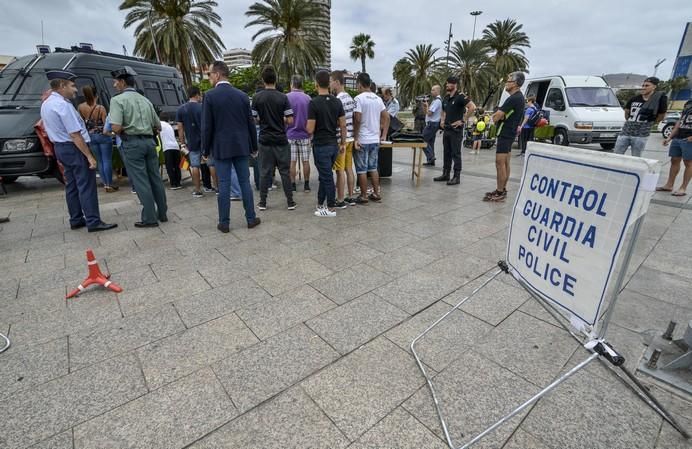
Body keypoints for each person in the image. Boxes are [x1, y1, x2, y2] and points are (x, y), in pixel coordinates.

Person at [39, 70, 116, 232]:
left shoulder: (46, 103)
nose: (75, 90)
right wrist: (89, 156)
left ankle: (76, 219)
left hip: (61, 148)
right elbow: (75, 134)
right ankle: (94, 221)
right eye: (72, 86)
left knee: (72, 185)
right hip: (74, 148)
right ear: (61, 85)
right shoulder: (62, 105)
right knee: (86, 185)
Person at [201, 61, 261, 233]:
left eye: (210, 74)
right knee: (244, 183)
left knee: (224, 184)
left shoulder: (210, 96)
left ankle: (224, 223)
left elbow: (207, 126)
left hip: (221, 148)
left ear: (217, 74)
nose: (209, 78)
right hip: (242, 146)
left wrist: (205, 150)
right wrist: (253, 146)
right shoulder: (242, 96)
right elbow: (250, 124)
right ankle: (251, 218)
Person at [109, 66, 168, 227]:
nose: (115, 85)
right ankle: (162, 213)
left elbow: (115, 127)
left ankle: (149, 217)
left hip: (132, 143)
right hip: (149, 142)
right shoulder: (145, 100)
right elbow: (158, 126)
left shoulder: (117, 100)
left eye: (116, 82)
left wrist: (126, 129)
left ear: (122, 82)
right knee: (155, 178)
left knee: (141, 181)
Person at [252, 65, 296, 211]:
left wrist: (263, 119)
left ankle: (263, 202)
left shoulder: (257, 97)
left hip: (264, 139)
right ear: (275, 80)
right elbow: (290, 120)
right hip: (281, 140)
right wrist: (280, 119)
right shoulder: (283, 97)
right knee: (285, 171)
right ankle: (290, 202)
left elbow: (253, 119)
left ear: (263, 80)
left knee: (265, 171)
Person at [307, 69, 347, 217]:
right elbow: (343, 125)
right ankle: (320, 203)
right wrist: (342, 143)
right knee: (325, 175)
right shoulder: (337, 102)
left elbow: (310, 128)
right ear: (328, 83)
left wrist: (304, 127)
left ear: (316, 84)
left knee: (326, 177)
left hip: (320, 145)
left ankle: (331, 207)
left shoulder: (313, 103)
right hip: (333, 145)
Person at [486, 72, 526, 202]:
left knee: (500, 163)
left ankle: (500, 191)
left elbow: (497, 116)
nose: (506, 84)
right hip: (510, 132)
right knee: (506, 163)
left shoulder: (513, 98)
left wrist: (496, 116)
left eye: (508, 81)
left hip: (505, 133)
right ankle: (502, 189)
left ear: (515, 84)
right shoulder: (519, 97)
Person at [353, 72, 389, 204]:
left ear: (359, 84)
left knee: (361, 169)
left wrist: (356, 137)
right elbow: (387, 116)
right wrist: (383, 134)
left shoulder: (359, 99)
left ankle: (363, 196)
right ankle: (376, 193)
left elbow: (357, 119)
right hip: (375, 139)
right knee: (373, 167)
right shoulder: (378, 99)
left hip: (362, 139)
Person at [435, 76, 476, 185]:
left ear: (455, 84)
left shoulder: (460, 97)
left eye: (449, 83)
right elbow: (443, 110)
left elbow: (472, 107)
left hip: (456, 130)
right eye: (447, 83)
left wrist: (463, 120)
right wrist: (442, 121)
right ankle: (446, 174)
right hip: (447, 129)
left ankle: (456, 177)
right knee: (446, 152)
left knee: (455, 153)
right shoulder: (446, 97)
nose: (447, 85)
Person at [614, 76, 667, 157]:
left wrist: (650, 124)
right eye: (643, 85)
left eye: (647, 85)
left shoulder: (659, 100)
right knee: (616, 154)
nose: (644, 87)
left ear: (654, 87)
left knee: (636, 157)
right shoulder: (634, 99)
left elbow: (661, 115)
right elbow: (627, 112)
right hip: (626, 131)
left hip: (641, 134)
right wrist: (631, 122)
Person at [78, 86, 117, 192]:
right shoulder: (101, 108)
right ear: (96, 95)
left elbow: (81, 122)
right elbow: (106, 125)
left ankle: (105, 184)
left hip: (91, 137)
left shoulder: (81, 107)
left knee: (99, 161)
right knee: (107, 160)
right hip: (103, 137)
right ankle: (109, 184)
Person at [330, 70, 357, 206]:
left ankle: (340, 199)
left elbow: (338, 122)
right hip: (351, 138)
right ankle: (351, 196)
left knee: (339, 171)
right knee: (348, 168)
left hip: (341, 139)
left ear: (337, 82)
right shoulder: (350, 98)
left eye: (331, 81)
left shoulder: (338, 100)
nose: (330, 84)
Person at [176, 86, 206, 197]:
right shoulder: (203, 107)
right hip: (205, 141)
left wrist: (182, 142)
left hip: (192, 142)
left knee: (195, 166)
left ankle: (197, 190)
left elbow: (180, 128)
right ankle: (217, 188)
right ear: (197, 94)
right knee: (211, 164)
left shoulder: (181, 109)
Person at [658, 100, 692, 197]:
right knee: (674, 160)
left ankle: (683, 188)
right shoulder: (688, 103)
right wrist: (669, 137)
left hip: (689, 139)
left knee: (688, 163)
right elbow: (680, 121)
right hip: (678, 137)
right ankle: (669, 185)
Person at [286, 75, 312, 192]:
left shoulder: (286, 97)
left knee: (292, 161)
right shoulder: (308, 98)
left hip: (290, 134)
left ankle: (292, 184)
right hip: (305, 134)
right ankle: (306, 184)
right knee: (305, 161)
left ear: (292, 84)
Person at [158, 113, 182, 190]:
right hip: (175, 147)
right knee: (177, 166)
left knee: (170, 166)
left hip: (167, 148)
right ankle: (178, 183)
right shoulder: (169, 126)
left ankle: (173, 184)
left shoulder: (160, 124)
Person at [422, 85, 442, 165]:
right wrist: (425, 106)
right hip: (433, 124)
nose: (431, 92)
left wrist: (426, 106)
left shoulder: (437, 101)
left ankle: (431, 157)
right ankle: (431, 161)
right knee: (430, 143)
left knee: (422, 140)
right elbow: (426, 113)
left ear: (437, 91)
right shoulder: (435, 101)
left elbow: (429, 113)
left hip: (432, 124)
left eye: (433, 90)